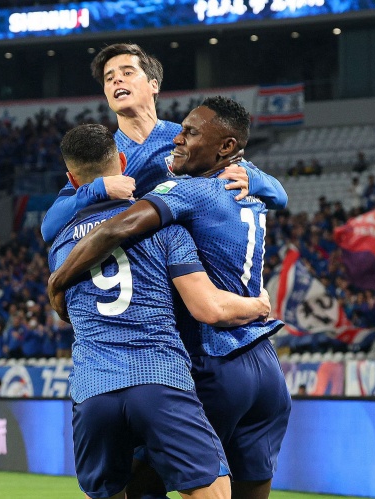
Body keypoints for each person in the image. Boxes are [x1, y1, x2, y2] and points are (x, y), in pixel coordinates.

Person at [49, 97, 291, 499]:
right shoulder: (248, 186)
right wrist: (259, 305)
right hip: (264, 365)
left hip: (212, 357)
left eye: (190, 133)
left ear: (226, 147)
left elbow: (116, 229)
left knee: (143, 488)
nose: (177, 139)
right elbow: (280, 194)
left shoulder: (187, 192)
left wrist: (58, 280)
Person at [40, 43, 287, 244]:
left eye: (127, 73)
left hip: (199, 267)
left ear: (154, 85)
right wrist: (99, 188)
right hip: (149, 276)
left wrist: (253, 179)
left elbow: (279, 197)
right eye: (109, 78)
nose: (117, 81)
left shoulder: (188, 138)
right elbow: (49, 228)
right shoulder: (104, 154)